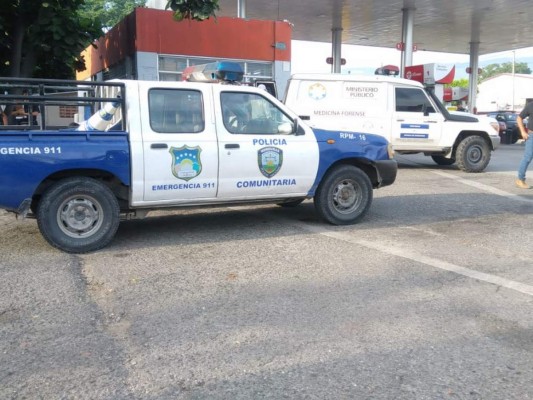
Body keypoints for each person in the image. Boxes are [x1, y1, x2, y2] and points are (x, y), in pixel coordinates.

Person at [515, 102, 533, 189]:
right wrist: (522, 131)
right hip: (532, 136)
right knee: (527, 158)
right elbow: (519, 118)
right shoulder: (531, 105)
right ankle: (520, 180)